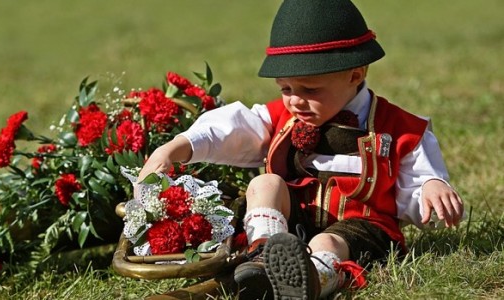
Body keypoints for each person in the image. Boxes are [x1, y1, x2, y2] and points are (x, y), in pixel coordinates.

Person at [136, 0, 464, 298]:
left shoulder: (400, 128)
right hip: (296, 221)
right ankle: (264, 253)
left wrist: (432, 186)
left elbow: (420, 178)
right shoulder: (285, 116)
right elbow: (232, 129)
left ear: (356, 74)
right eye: (286, 88)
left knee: (327, 242)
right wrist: (177, 147)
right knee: (264, 183)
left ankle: (311, 279)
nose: (294, 99)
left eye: (310, 88)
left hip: (361, 227)